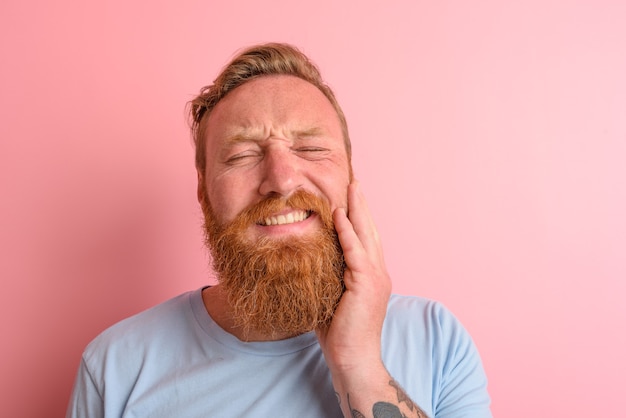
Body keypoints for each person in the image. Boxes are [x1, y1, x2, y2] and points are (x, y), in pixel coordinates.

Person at [66, 43, 491, 418]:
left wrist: (358, 365)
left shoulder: (437, 340)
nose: (282, 180)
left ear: (349, 174)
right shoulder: (115, 367)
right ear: (203, 189)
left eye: (310, 148)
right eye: (242, 155)